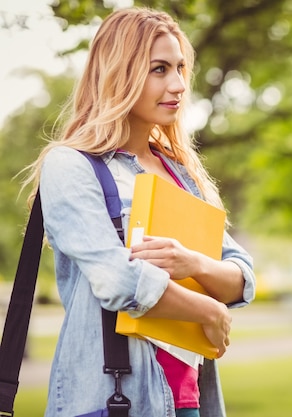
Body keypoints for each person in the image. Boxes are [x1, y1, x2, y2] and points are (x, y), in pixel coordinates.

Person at [22, 7, 255, 417]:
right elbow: (117, 280)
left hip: (188, 400)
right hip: (117, 397)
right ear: (118, 74)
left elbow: (240, 275)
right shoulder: (73, 165)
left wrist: (194, 263)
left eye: (181, 68)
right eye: (160, 69)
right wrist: (208, 309)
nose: (179, 85)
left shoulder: (181, 173)